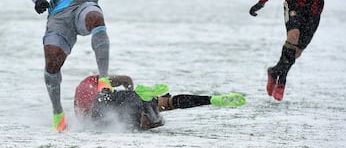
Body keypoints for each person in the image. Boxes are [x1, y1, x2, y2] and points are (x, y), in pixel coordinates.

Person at [28, 0, 179, 132]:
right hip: (59, 17)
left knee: (95, 17)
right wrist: (38, 0)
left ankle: (104, 81)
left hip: (84, 8)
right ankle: (57, 113)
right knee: (52, 64)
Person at [74, 75, 246, 131]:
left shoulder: (87, 89)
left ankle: (148, 106)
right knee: (166, 104)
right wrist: (130, 90)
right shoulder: (99, 81)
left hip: (104, 109)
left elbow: (82, 117)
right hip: (122, 100)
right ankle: (211, 100)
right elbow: (125, 79)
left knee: (148, 122)